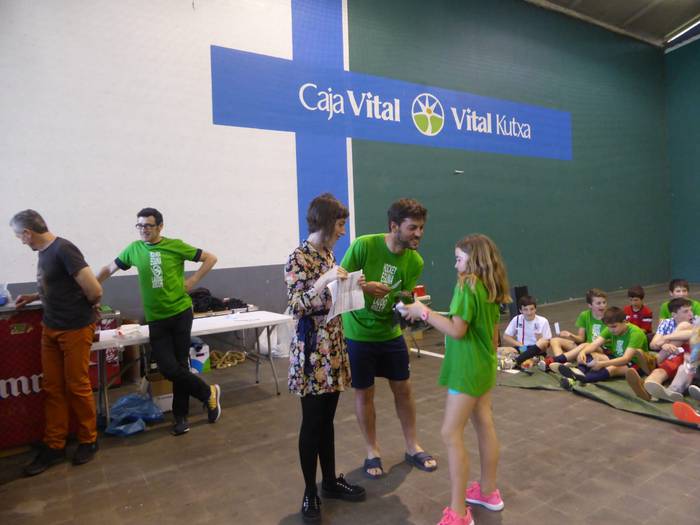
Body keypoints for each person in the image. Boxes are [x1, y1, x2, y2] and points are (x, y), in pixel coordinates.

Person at [401, 234, 510, 525]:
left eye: (459, 259)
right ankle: (488, 492)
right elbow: (489, 334)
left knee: (450, 434)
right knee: (484, 423)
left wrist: (422, 311)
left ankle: (459, 513)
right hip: (484, 365)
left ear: (474, 260)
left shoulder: (467, 284)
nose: (455, 265)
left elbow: (456, 330)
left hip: (466, 369)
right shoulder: (490, 286)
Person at [97, 208, 220, 436]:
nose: (143, 230)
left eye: (148, 225)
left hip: (180, 313)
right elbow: (109, 268)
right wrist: (91, 287)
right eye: (140, 225)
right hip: (156, 318)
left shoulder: (175, 245)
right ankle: (207, 393)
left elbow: (210, 258)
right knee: (168, 368)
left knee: (180, 365)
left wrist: (192, 280)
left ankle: (180, 417)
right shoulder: (134, 249)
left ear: (160, 226)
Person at [340, 198, 436, 479]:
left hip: (390, 334)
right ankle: (372, 451)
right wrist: (366, 287)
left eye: (421, 228)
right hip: (358, 333)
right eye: (412, 228)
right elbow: (340, 281)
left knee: (404, 389)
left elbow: (403, 296)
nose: (418, 234)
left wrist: (407, 310)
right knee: (364, 392)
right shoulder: (364, 245)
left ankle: (412, 446)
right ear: (394, 226)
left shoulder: (415, 261)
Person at [285, 194, 365, 523]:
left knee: (327, 419)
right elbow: (296, 306)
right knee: (312, 422)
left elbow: (329, 298)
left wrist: (351, 287)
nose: (343, 231)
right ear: (327, 222)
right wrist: (324, 280)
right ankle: (310, 491)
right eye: (341, 224)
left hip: (331, 344)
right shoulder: (298, 256)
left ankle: (330, 481)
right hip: (312, 351)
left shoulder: (327, 253)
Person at [10, 210, 103, 475]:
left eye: (19, 236)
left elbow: (94, 290)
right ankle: (55, 444)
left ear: (28, 233)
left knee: (77, 386)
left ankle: (88, 439)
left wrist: (86, 309)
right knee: (53, 388)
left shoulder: (64, 249)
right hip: (51, 327)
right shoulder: (44, 253)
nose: (20, 241)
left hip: (75, 328)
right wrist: (34, 296)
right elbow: (60, 285)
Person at [559, 306, 649, 387]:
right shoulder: (610, 328)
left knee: (612, 368)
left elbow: (626, 359)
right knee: (590, 354)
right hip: (616, 357)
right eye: (609, 327)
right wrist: (583, 352)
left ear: (625, 322)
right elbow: (594, 344)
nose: (611, 330)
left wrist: (602, 364)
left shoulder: (635, 333)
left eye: (614, 326)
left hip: (636, 364)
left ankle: (576, 378)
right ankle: (578, 373)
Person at [626, 298, 693, 402]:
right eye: (686, 311)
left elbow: (693, 333)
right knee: (658, 373)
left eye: (690, 310)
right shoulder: (667, 323)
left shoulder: (694, 322)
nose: (690, 314)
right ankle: (646, 389)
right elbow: (653, 344)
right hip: (672, 359)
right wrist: (664, 345)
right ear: (674, 315)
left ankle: (654, 361)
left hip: (688, 358)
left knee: (684, 327)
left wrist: (666, 338)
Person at [548, 288, 607, 373]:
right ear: (590, 305)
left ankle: (557, 360)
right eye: (598, 303)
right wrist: (570, 335)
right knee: (554, 340)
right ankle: (562, 365)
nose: (602, 305)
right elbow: (581, 339)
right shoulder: (585, 315)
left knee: (586, 345)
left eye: (604, 302)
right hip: (584, 348)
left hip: (600, 349)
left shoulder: (610, 317)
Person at [500, 295, 551, 367]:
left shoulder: (543, 321)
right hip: (522, 348)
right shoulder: (517, 319)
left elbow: (546, 344)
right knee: (499, 350)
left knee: (543, 341)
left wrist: (539, 339)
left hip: (537, 350)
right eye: (525, 309)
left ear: (535, 309)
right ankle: (528, 359)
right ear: (520, 310)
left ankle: (517, 361)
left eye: (531, 309)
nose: (529, 312)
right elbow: (506, 336)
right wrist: (520, 345)